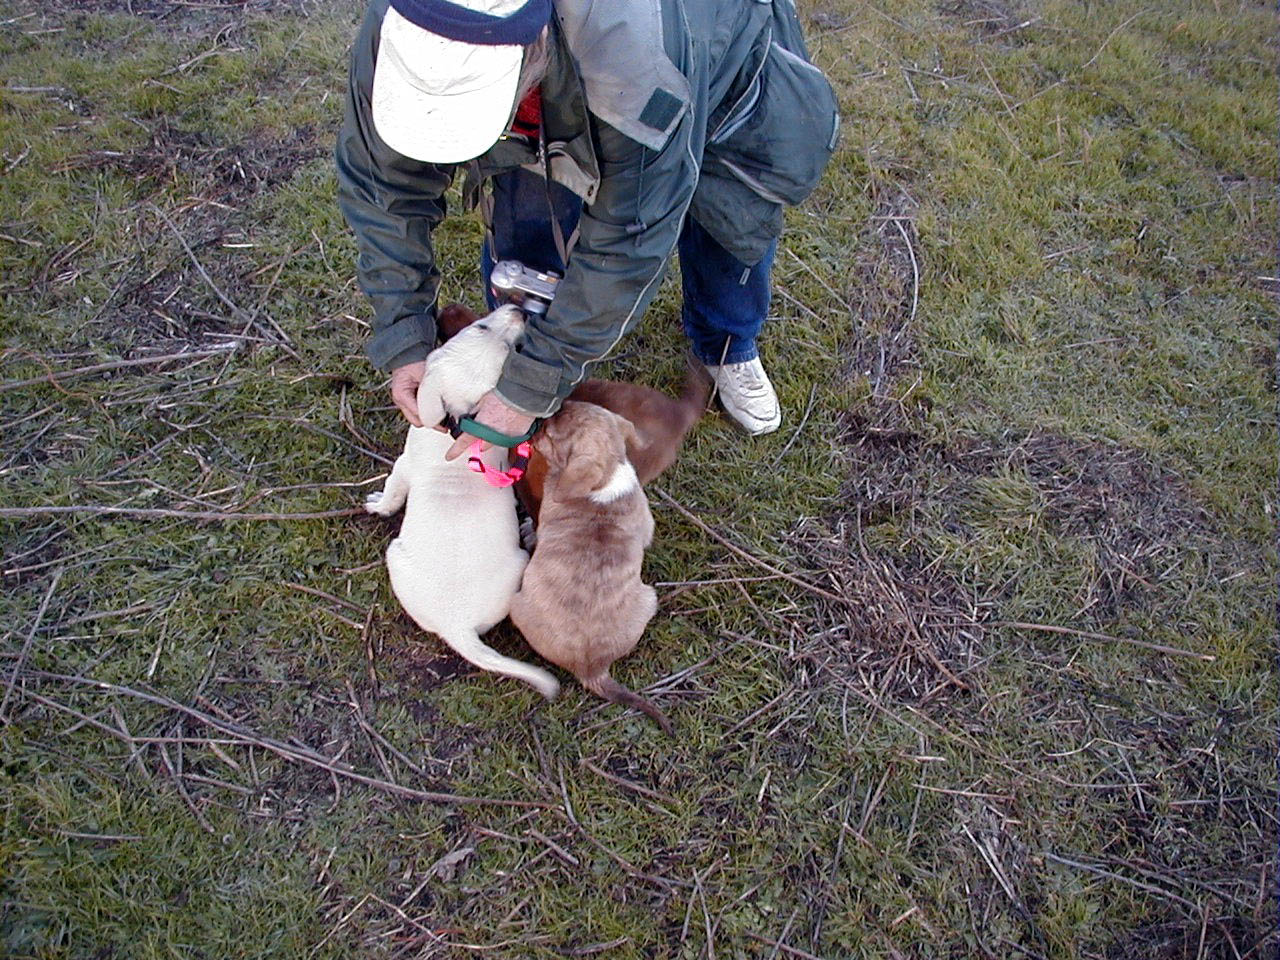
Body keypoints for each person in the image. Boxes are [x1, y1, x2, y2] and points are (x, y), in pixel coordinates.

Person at [336, 0, 838, 454]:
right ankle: (518, 355)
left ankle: (728, 344)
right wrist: (405, 334)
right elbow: (383, 184)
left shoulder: (634, 59)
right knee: (529, 236)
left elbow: (629, 237)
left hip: (716, 51)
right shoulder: (403, 24)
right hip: (563, 79)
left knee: (730, 217)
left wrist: (529, 391)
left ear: (532, 51)